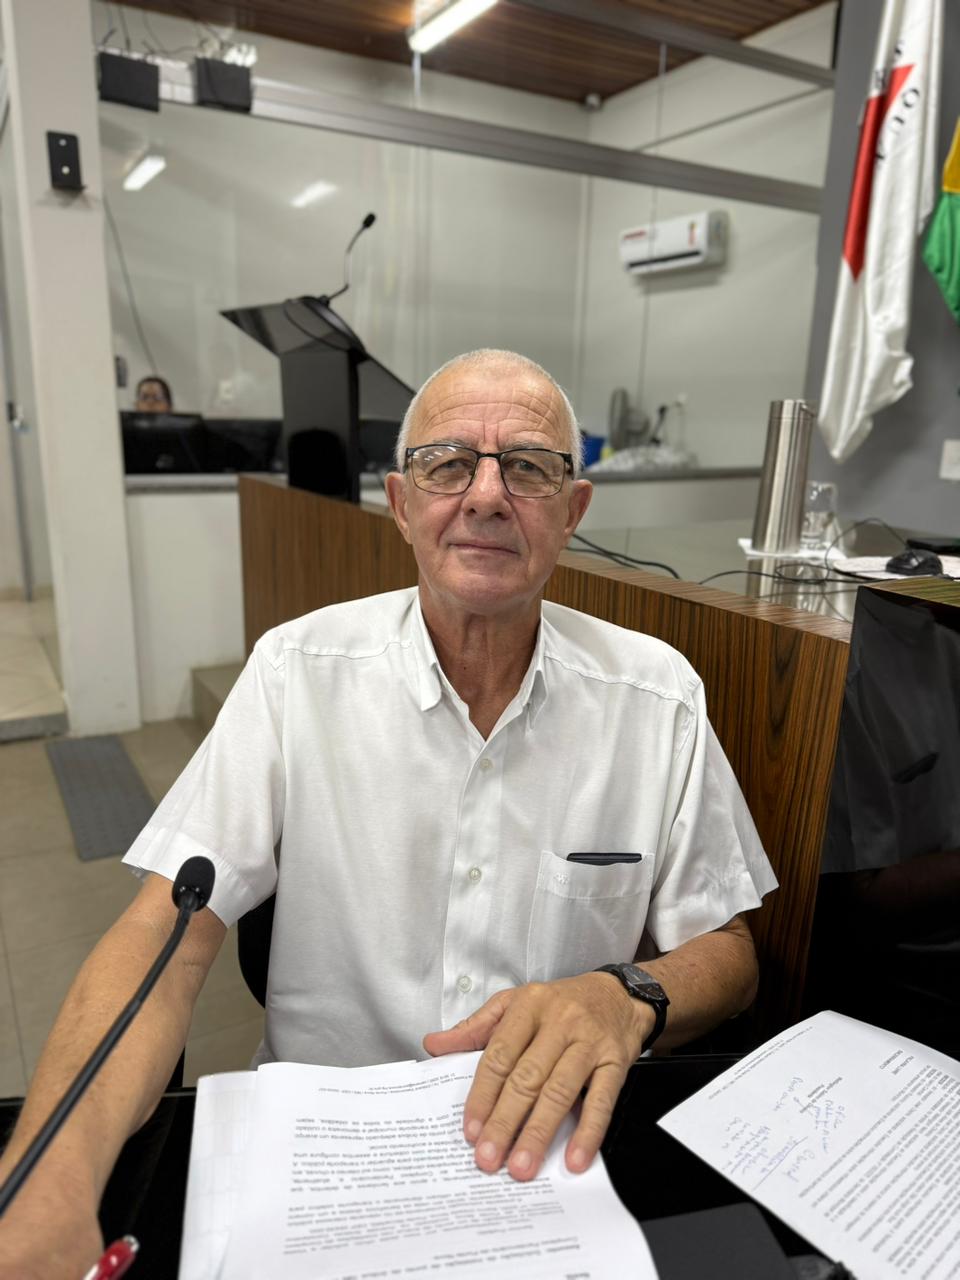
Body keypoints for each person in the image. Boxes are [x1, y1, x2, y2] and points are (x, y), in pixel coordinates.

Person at [0, 349, 775, 1278]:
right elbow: (165, 938)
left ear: (572, 512)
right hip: (327, 1164)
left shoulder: (656, 696)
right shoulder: (296, 673)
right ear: (401, 505)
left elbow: (729, 953)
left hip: (548, 1164)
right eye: (448, 464)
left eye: (528, 467)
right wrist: (49, 1177)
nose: (487, 496)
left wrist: (625, 995)